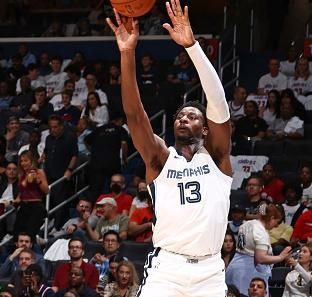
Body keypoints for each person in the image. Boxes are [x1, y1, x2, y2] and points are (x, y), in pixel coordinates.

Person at [106, 0, 233, 295]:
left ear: (205, 129)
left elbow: (219, 104)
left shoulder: (216, 158)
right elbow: (135, 116)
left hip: (210, 271)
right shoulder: (160, 159)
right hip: (167, 269)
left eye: (192, 116)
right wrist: (127, 54)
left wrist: (192, 47)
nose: (183, 118)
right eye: (179, 115)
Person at [226, 204, 292, 295]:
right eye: (277, 221)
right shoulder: (260, 232)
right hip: (248, 273)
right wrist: (281, 257)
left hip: (234, 267)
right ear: (272, 218)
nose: (276, 225)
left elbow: (262, 208)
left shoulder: (247, 224)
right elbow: (260, 258)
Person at [13, 150, 49, 238]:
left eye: (25, 161)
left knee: (30, 235)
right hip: (23, 206)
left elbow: (47, 190)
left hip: (35, 206)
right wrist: (17, 198)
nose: (23, 163)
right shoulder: (21, 174)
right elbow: (22, 190)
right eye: (21, 161)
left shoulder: (39, 172)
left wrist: (37, 180)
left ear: (31, 161)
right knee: (17, 234)